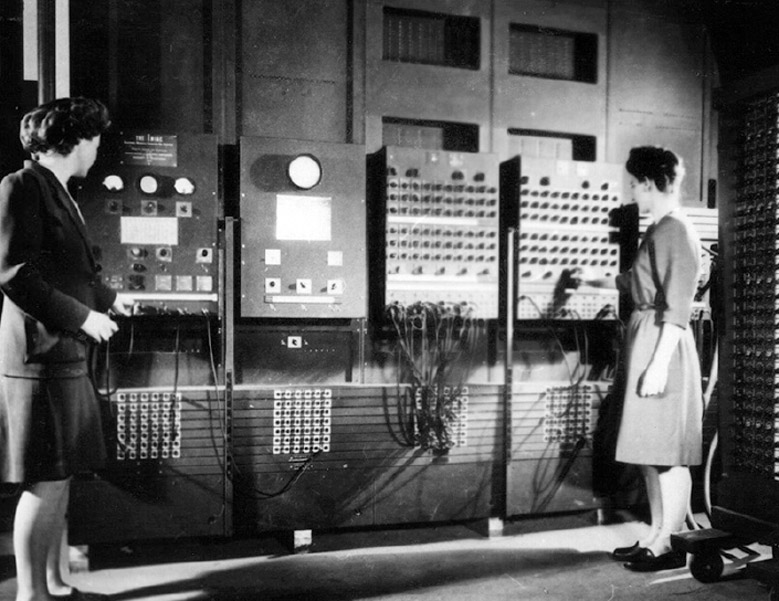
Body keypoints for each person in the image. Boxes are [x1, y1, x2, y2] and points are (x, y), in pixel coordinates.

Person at [0, 97, 132, 601]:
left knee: (62, 475)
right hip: (38, 358)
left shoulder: (58, 191)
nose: (98, 151)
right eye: (95, 141)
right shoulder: (22, 186)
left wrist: (113, 301)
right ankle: (31, 595)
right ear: (75, 141)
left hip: (63, 355)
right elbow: (16, 275)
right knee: (45, 480)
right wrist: (85, 318)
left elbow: (69, 273)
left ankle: (55, 583)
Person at [577, 146, 703, 572]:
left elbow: (679, 308)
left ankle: (670, 542)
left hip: (663, 344)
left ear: (650, 184)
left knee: (667, 452)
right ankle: (655, 534)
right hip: (646, 338)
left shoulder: (675, 230)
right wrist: (591, 278)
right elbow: (636, 282)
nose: (631, 192)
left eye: (634, 184)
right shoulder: (659, 229)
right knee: (649, 449)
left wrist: (659, 364)